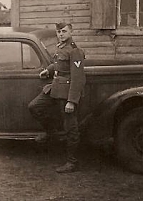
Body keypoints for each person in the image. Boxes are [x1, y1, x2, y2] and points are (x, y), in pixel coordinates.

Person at [28, 22, 86, 173]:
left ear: (71, 32)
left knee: (70, 127)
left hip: (66, 93)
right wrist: (48, 70)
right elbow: (58, 64)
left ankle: (72, 162)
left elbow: (78, 78)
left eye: (64, 31)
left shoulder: (75, 51)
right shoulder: (60, 47)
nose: (61, 34)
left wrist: (72, 101)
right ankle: (52, 133)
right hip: (55, 88)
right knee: (35, 106)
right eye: (59, 32)